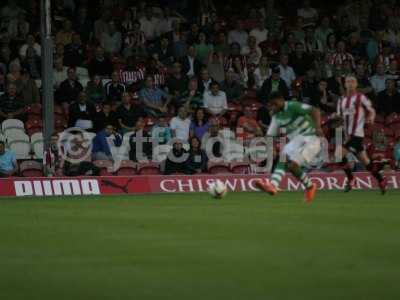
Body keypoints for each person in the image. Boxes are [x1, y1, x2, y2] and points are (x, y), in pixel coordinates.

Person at [256, 92, 323, 203]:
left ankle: (310, 187)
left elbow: (315, 110)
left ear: (282, 101)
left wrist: (318, 127)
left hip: (311, 138)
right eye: (271, 105)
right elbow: (269, 135)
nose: (272, 107)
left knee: (292, 165)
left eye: (274, 104)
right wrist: (271, 147)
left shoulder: (292, 105)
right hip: (296, 141)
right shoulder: (276, 116)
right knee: (284, 159)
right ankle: (273, 185)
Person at [335, 75, 387, 193]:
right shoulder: (341, 100)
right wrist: (335, 119)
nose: (350, 83)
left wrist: (371, 117)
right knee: (366, 162)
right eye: (348, 81)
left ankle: (351, 179)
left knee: (339, 155)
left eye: (352, 81)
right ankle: (381, 180)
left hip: (357, 134)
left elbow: (371, 109)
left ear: (356, 84)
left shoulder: (360, 97)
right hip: (348, 135)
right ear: (345, 84)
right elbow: (340, 118)